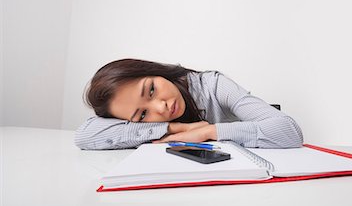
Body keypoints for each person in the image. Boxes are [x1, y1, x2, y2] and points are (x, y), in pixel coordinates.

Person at [74, 58, 303, 150]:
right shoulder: (159, 119)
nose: (160, 108)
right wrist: (176, 129)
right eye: (143, 115)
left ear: (153, 71)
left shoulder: (213, 85)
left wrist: (208, 132)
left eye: (152, 90)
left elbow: (290, 131)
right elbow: (84, 136)